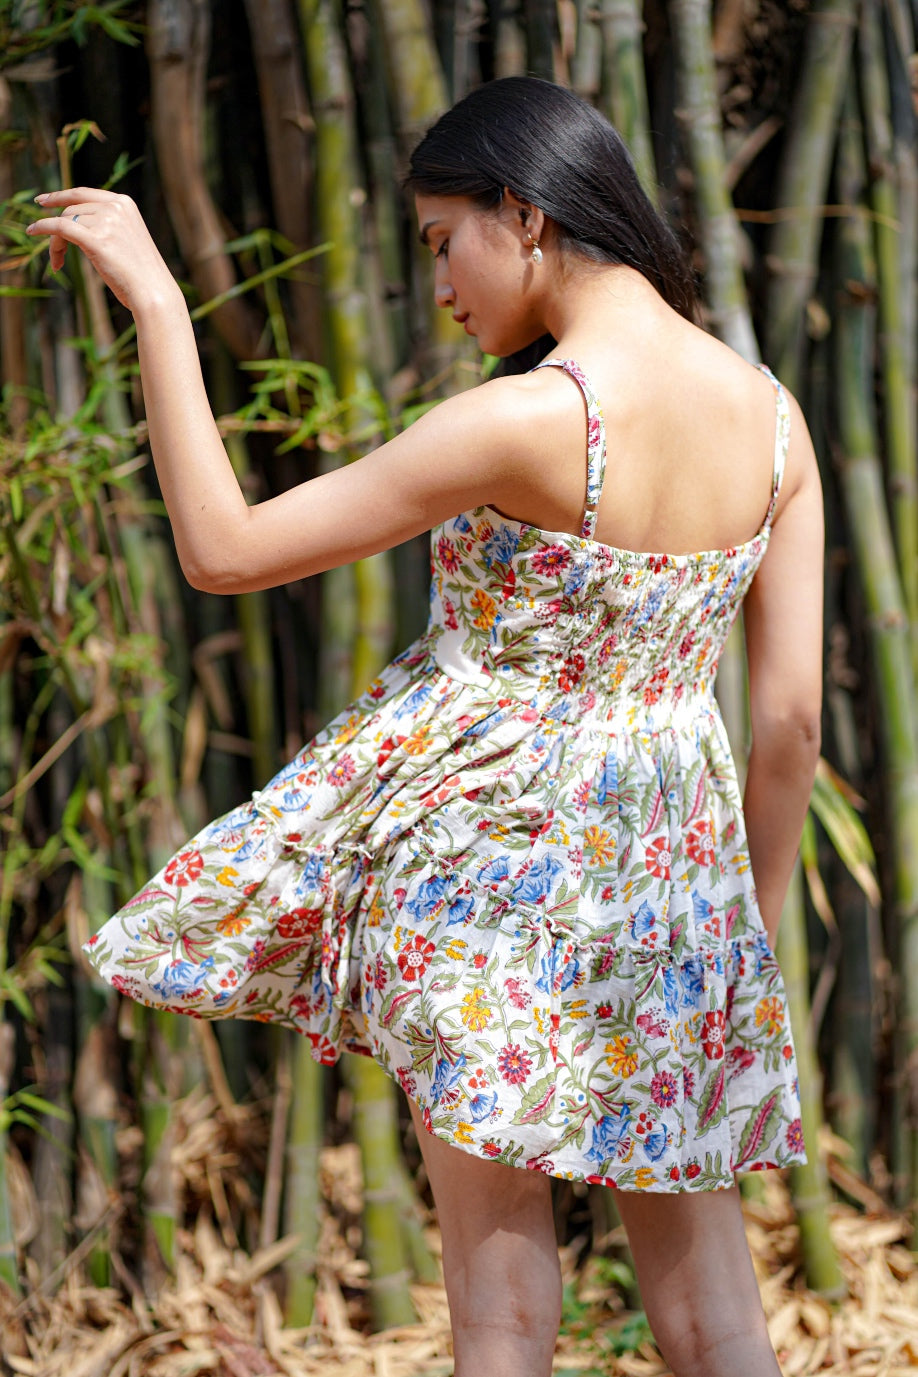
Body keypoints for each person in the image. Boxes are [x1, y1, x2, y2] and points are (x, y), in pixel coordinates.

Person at [29, 76, 822, 1377]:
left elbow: (225, 550)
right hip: (671, 898)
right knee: (714, 1316)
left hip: (485, 874)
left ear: (526, 214)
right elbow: (788, 722)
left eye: (444, 240)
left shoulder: (526, 419)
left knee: (501, 1314)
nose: (442, 284)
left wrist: (160, 305)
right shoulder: (778, 425)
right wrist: (741, 948)